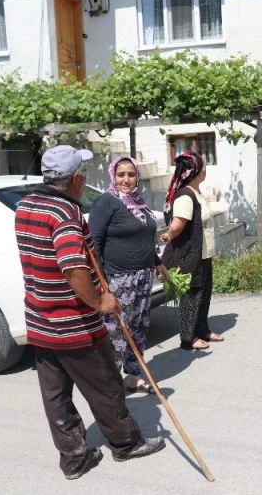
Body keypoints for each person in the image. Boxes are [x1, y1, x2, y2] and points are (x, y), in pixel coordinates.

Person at [14, 145, 165, 480]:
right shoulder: (64, 213)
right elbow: (73, 269)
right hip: (74, 323)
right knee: (106, 384)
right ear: (75, 179)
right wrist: (100, 302)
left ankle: (74, 459)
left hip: (40, 321)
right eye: (81, 172)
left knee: (55, 395)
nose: (83, 178)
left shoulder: (26, 205)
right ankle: (126, 443)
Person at [89, 156, 168, 394]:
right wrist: (101, 284)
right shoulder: (106, 202)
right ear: (113, 176)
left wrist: (157, 263)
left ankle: (132, 377)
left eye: (131, 174)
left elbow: (145, 238)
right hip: (118, 279)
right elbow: (93, 244)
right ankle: (110, 384)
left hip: (143, 276)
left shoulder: (138, 203)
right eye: (121, 174)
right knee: (116, 331)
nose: (126, 179)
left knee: (139, 328)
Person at [160, 151, 223, 350]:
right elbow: (178, 224)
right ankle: (188, 339)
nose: (205, 169)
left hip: (203, 254)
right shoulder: (186, 195)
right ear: (195, 170)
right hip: (191, 256)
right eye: (203, 166)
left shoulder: (196, 192)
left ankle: (202, 330)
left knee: (204, 294)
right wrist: (170, 234)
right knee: (192, 296)